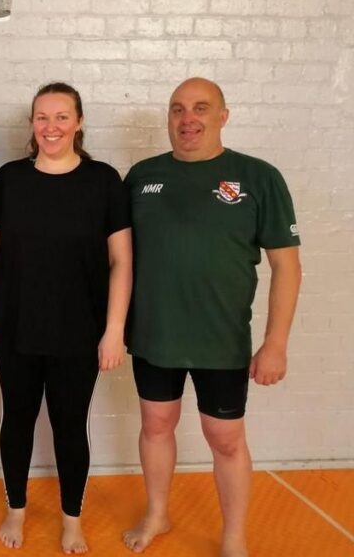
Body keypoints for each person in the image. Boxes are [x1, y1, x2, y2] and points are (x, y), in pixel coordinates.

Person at [121, 78, 302, 557]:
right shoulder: (141, 177)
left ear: (224, 115)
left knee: (225, 438)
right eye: (177, 109)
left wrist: (275, 343)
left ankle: (233, 536)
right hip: (153, 334)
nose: (187, 118)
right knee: (156, 424)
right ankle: (158, 513)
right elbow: (117, 260)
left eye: (201, 108)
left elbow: (287, 265)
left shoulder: (258, 177)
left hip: (221, 339)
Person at [0, 82, 132, 554]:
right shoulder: (10, 179)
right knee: (16, 419)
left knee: (69, 424)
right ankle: (16, 509)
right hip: (14, 326)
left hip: (80, 332)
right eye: (43, 117)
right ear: (32, 125)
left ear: (79, 123)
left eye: (62, 117)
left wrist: (114, 329)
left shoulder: (103, 181)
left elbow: (122, 260)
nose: (51, 127)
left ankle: (71, 519)